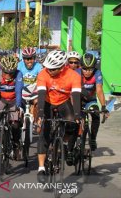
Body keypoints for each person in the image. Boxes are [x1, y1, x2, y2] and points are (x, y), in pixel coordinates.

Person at [36, 50, 81, 183]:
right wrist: (40, 114)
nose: (49, 71)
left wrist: (77, 115)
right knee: (45, 133)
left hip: (63, 102)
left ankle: (65, 142)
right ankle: (41, 168)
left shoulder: (73, 76)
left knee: (73, 123)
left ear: (62, 67)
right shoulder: (43, 74)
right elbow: (41, 95)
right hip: (47, 102)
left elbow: (76, 96)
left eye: (53, 69)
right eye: (48, 68)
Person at [0, 55, 23, 156]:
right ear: (2, 69)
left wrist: (18, 106)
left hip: (14, 99)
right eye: (6, 73)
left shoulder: (19, 74)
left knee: (15, 124)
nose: (9, 75)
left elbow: (18, 91)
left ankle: (15, 144)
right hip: (1, 99)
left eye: (11, 73)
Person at [76, 53, 110, 150]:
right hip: (78, 100)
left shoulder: (97, 73)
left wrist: (103, 107)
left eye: (90, 69)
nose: (87, 71)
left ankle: (93, 139)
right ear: (81, 66)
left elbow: (99, 90)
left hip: (91, 100)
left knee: (95, 114)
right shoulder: (77, 73)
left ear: (94, 68)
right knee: (76, 120)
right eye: (85, 69)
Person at [17, 47, 42, 124]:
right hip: (22, 90)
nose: (29, 61)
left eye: (31, 58)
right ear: (23, 59)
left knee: (37, 102)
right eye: (27, 59)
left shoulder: (38, 66)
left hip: (33, 91)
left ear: (34, 58)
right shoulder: (19, 65)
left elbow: (41, 79)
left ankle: (35, 122)